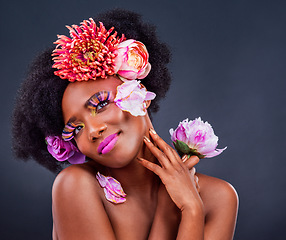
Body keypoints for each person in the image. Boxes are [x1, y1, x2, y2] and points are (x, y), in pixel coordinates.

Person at [12, 9, 238, 240]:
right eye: (76, 129)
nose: (92, 131)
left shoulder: (220, 197)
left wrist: (193, 206)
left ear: (138, 90)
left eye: (100, 105)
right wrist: (175, 211)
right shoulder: (75, 186)